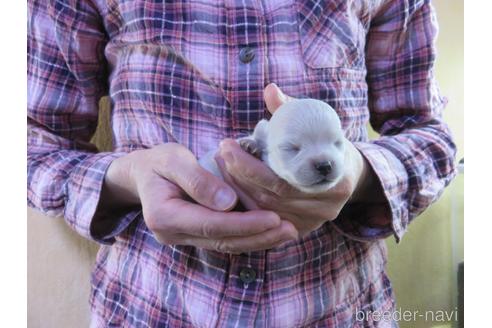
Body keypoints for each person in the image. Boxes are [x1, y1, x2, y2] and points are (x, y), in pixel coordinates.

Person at [27, 0, 456, 326]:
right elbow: (31, 143)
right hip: (151, 307)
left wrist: (359, 172)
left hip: (342, 307)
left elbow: (432, 137)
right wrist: (127, 179)